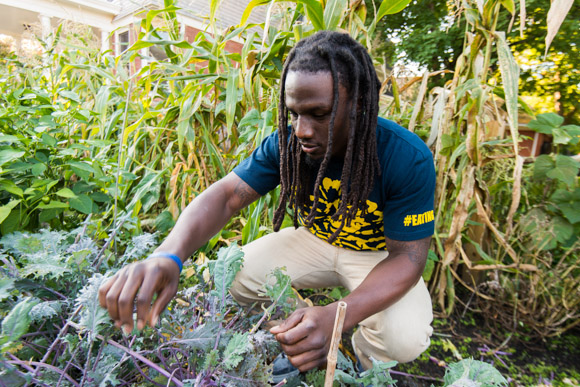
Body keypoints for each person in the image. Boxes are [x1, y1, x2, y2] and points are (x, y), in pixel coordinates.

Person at [98, 31, 435, 376]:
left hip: (378, 256)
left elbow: (408, 258)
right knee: (232, 276)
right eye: (294, 114)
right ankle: (301, 335)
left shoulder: (406, 157)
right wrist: (166, 255)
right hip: (316, 240)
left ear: (360, 105)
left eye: (319, 114)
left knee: (403, 337)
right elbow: (227, 196)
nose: (302, 130)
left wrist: (337, 315)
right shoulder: (288, 143)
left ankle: (362, 368)